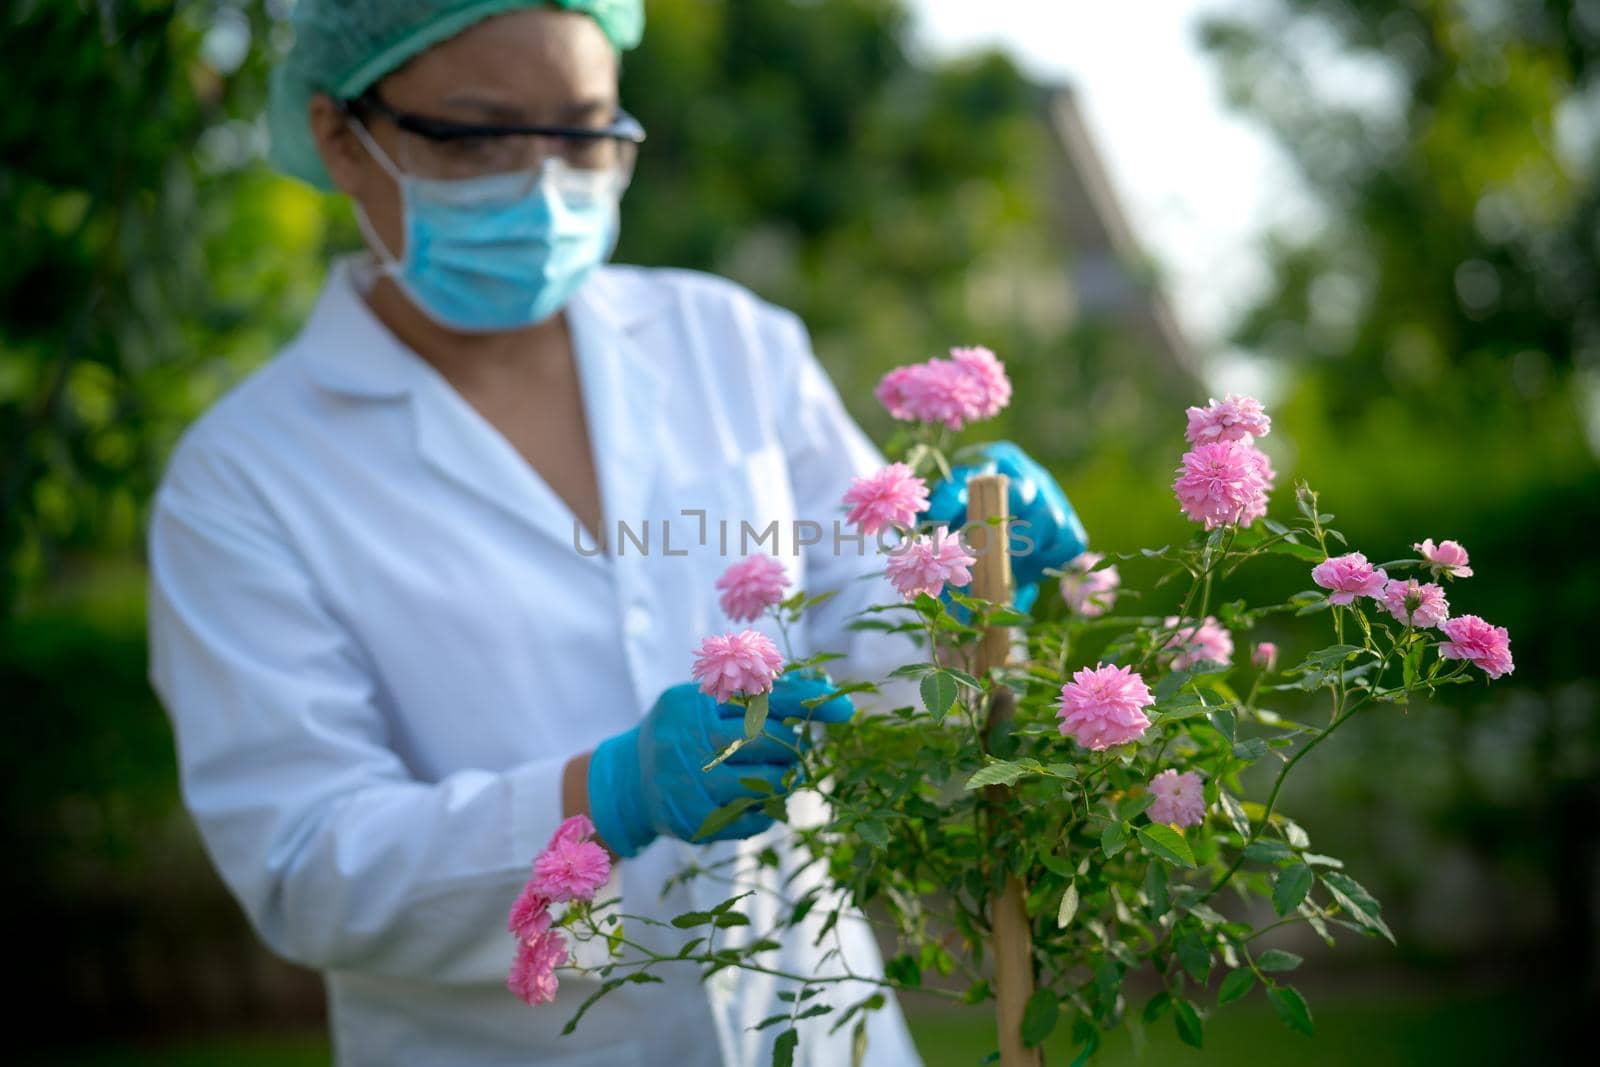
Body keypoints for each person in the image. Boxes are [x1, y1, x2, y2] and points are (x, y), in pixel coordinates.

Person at [145, 2, 1087, 1064]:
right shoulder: (245, 477)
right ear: (336, 132)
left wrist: (955, 590)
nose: (545, 180)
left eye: (585, 132)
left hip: (825, 1031)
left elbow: (871, 656)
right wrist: (604, 796)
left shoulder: (726, 342)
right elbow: (307, 863)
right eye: (478, 135)